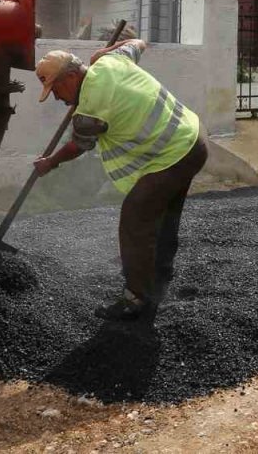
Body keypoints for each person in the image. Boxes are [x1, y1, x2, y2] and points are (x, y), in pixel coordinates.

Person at [32, 39, 207, 321]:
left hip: (174, 154)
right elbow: (139, 43)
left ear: (73, 76)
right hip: (193, 138)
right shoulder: (113, 61)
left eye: (56, 88)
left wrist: (49, 163)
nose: (57, 98)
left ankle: (136, 298)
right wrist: (107, 52)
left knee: (135, 218)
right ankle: (160, 272)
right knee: (165, 211)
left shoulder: (89, 107)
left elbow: (79, 146)